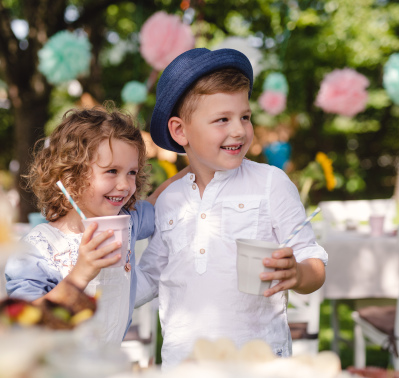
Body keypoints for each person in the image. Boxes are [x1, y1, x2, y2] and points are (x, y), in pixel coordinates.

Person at [134, 48, 328, 369]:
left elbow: (314, 261)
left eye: (245, 116)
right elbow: (151, 276)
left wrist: (298, 272)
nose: (239, 130)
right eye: (222, 119)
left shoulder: (270, 183)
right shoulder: (170, 199)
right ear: (180, 131)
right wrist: (99, 286)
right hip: (185, 365)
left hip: (258, 363)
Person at [5, 105, 183, 345]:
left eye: (132, 172)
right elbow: (25, 320)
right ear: (72, 175)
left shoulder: (127, 221)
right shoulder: (37, 249)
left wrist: (201, 167)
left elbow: (158, 200)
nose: (124, 185)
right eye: (112, 171)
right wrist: (80, 274)